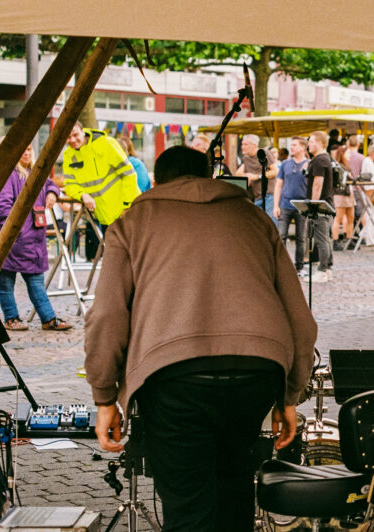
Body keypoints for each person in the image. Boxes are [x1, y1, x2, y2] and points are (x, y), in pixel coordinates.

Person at [85, 146, 317, 531]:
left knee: (189, 507)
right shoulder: (252, 218)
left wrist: (105, 397)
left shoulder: (132, 222)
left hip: (173, 379)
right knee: (234, 496)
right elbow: (301, 320)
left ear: (157, 182)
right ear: (211, 175)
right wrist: (289, 396)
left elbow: (107, 315)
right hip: (256, 371)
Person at [0, 145, 72, 332]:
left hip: (33, 240)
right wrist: (18, 231)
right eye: (22, 149)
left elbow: (50, 183)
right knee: (6, 282)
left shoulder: (35, 171)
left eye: (29, 149)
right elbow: (1, 208)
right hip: (12, 239)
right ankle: (11, 318)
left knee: (36, 282)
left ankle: (48, 318)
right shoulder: (8, 174)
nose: (26, 153)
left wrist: (52, 192)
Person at [63, 123, 140, 261]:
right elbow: (70, 184)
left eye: (75, 135)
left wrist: (127, 206)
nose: (72, 140)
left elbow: (129, 174)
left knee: (136, 259)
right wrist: (83, 195)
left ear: (83, 131)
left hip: (128, 213)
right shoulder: (69, 155)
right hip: (105, 217)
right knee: (118, 261)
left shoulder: (106, 144)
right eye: (68, 137)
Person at [273, 137, 309, 276]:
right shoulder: (285, 164)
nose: (291, 148)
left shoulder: (309, 165)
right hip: (285, 205)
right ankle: (280, 265)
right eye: (291, 145)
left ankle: (299, 267)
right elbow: (279, 185)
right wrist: (276, 205)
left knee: (301, 238)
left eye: (294, 145)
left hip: (302, 206)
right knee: (281, 235)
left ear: (302, 148)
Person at [304, 131, 335, 282]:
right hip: (327, 204)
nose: (308, 144)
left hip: (321, 205)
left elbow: (318, 183)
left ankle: (322, 270)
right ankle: (327, 269)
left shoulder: (319, 160)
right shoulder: (326, 158)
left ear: (319, 143)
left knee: (321, 239)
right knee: (326, 239)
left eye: (310, 141)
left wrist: (313, 205)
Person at [236, 134, 277, 214]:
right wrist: (245, 176)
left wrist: (257, 176)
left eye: (245, 144)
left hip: (269, 195)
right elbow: (238, 174)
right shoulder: (246, 158)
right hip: (257, 197)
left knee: (270, 222)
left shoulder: (263, 153)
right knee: (258, 223)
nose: (242, 147)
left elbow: (275, 171)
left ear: (254, 145)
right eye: (242, 144)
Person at [331, 145, 355, 250]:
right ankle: (335, 240)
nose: (349, 155)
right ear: (342, 154)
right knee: (338, 218)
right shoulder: (338, 166)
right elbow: (343, 180)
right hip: (340, 194)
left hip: (348, 194)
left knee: (351, 217)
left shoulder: (346, 165)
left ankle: (348, 239)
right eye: (347, 153)